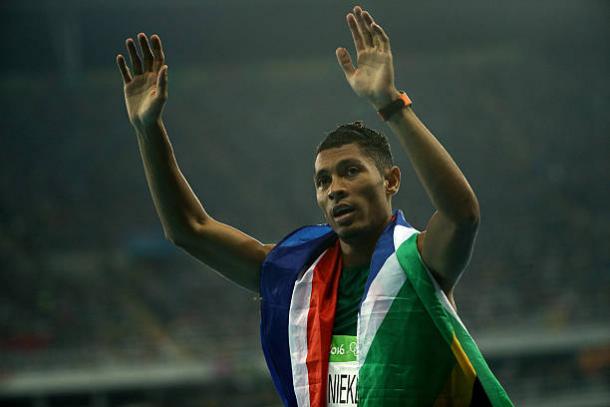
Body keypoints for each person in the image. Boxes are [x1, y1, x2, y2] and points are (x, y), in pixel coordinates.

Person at [116, 5, 512, 406]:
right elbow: (190, 229)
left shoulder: (420, 262)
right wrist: (148, 130)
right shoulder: (299, 276)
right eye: (323, 181)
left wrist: (390, 103)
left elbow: (462, 214)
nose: (335, 189)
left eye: (351, 171)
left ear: (391, 180)